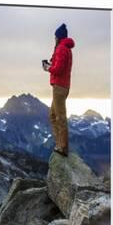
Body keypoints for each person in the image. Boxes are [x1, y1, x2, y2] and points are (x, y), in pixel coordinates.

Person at [42, 23, 75, 157]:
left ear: (58, 37)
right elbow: (60, 66)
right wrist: (51, 65)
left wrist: (48, 68)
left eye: (55, 37)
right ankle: (59, 144)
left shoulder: (61, 48)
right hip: (63, 86)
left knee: (60, 117)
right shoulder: (66, 48)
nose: (54, 39)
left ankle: (63, 147)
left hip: (59, 87)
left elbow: (59, 69)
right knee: (53, 115)